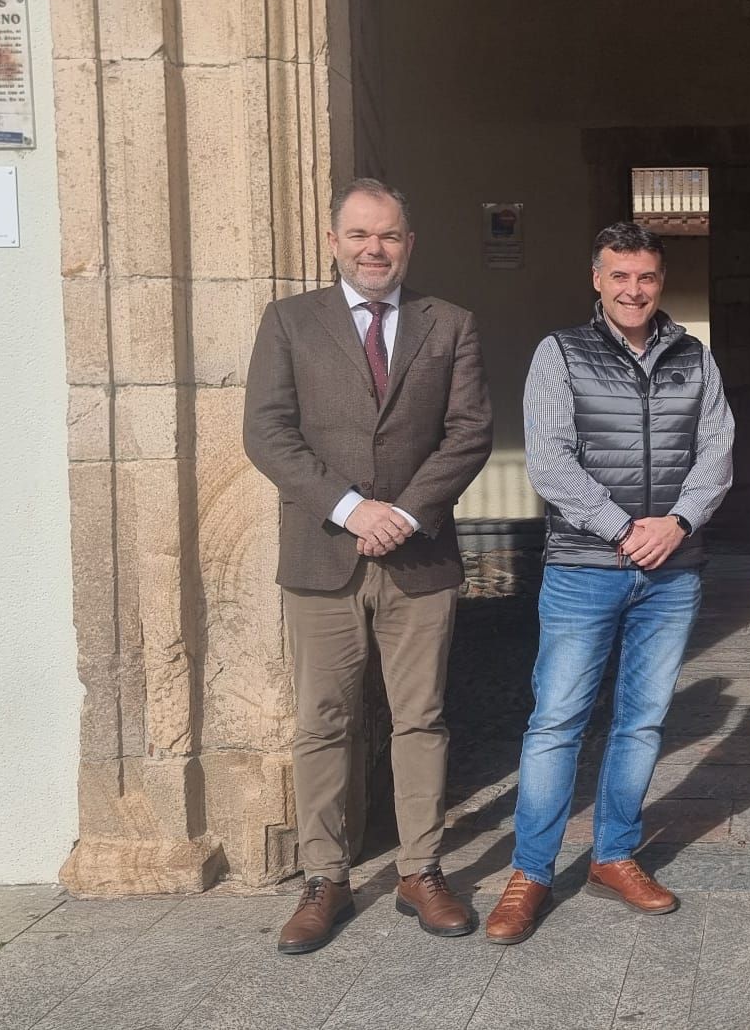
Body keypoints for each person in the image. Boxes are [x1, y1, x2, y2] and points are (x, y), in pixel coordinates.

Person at [243, 178, 493, 954]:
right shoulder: (288, 322)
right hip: (324, 555)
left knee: (420, 717)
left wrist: (405, 514)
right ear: (333, 241)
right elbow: (268, 433)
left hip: (419, 557)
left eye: (388, 236)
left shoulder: (448, 324)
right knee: (325, 721)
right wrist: (354, 509)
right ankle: (327, 878)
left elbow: (469, 432)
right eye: (359, 236)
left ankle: (420, 869)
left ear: (408, 244)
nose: (374, 249)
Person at [482, 221, 736, 944]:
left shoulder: (694, 359)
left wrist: (678, 523)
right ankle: (531, 871)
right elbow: (550, 463)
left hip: (672, 572)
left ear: (661, 282)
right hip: (583, 568)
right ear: (597, 279)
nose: (634, 289)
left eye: (646, 277)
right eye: (619, 276)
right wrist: (625, 528)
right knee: (557, 720)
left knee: (643, 720)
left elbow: (717, 451)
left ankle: (615, 855)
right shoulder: (559, 354)